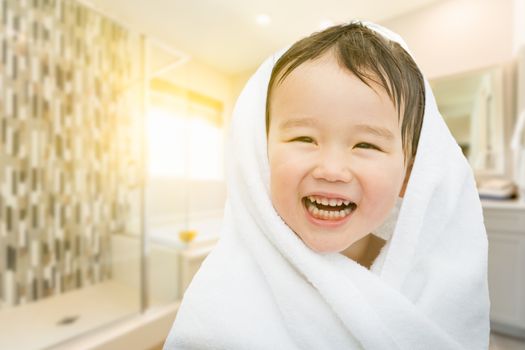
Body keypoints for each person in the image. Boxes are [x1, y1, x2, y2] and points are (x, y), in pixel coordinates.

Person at [164, 21, 490, 349]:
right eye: (304, 138)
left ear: (409, 175)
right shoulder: (221, 296)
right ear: (262, 157)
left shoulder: (435, 281)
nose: (332, 170)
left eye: (366, 145)